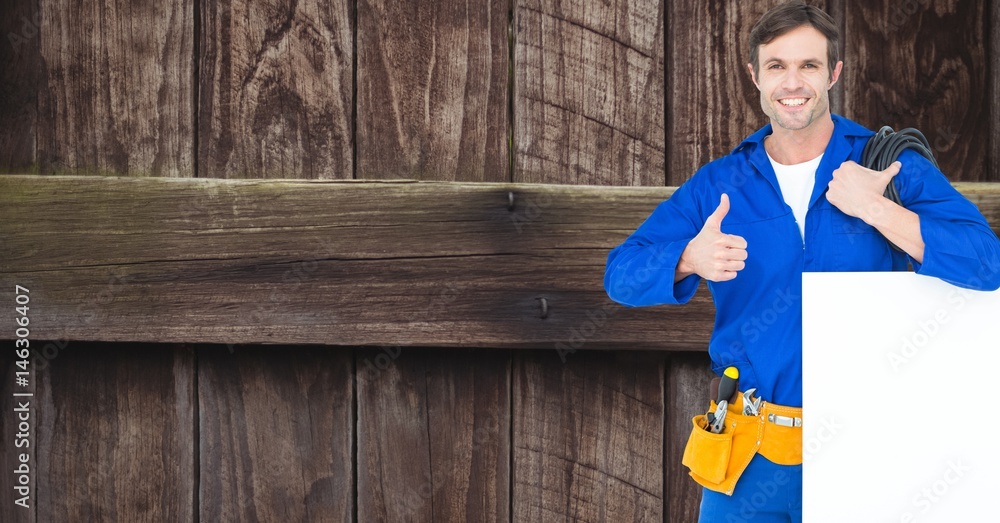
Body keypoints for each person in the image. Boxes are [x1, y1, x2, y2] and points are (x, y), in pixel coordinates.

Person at [603, 1, 1000, 521]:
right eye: (777, 66)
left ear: (833, 72)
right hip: (748, 450)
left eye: (809, 65)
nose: (794, 82)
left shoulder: (887, 166)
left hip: (868, 448)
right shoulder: (721, 184)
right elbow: (619, 275)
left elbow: (986, 262)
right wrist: (686, 257)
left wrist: (876, 208)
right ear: (755, 76)